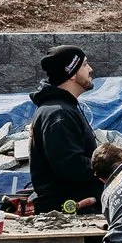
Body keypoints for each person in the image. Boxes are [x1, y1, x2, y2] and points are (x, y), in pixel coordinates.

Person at [26, 46, 98, 213]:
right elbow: (71, 168)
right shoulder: (58, 114)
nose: (90, 69)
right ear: (71, 73)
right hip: (69, 212)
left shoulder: (62, 108)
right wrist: (110, 166)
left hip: (75, 207)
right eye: (85, 64)